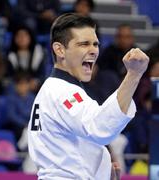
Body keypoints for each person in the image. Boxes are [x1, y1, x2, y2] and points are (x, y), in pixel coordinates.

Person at [27, 13, 149, 179]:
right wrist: (134, 75)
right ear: (60, 49)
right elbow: (101, 128)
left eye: (95, 44)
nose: (93, 51)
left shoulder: (54, 89)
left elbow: (74, 151)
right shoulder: (62, 92)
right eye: (84, 44)